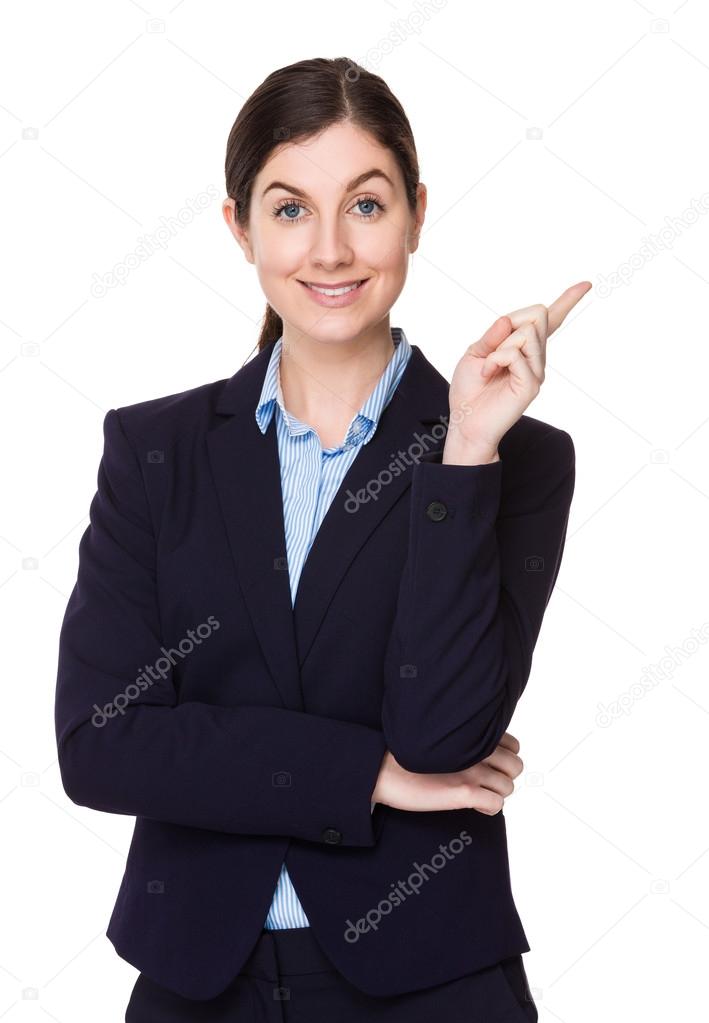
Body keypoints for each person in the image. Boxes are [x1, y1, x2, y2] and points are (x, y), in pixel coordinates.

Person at [54, 55, 589, 1022]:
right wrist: (365, 776)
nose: (331, 250)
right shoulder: (154, 451)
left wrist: (464, 451)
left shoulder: (515, 460)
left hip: (431, 980)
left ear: (417, 215)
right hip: (197, 980)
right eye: (291, 207)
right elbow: (102, 744)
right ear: (239, 227)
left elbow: (442, 738)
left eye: (367, 205)